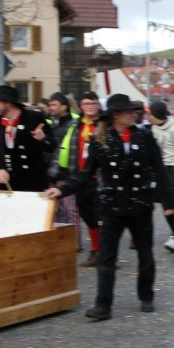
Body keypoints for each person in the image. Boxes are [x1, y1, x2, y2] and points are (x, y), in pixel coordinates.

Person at [47, 94, 174, 322]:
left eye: (133, 110)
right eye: (128, 111)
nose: (133, 113)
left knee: (145, 254)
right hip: (112, 206)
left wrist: (169, 203)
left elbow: (160, 170)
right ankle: (103, 305)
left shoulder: (145, 137)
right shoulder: (100, 140)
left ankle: (146, 296)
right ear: (116, 115)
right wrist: (63, 190)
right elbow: (85, 173)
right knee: (106, 258)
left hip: (139, 205)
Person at [0, 85, 54, 193]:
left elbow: (52, 146)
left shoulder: (34, 118)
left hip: (31, 182)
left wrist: (42, 139)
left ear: (8, 103)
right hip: (7, 182)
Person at [148, 100, 174, 252]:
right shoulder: (154, 128)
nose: (148, 116)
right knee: (165, 205)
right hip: (160, 169)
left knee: (172, 203)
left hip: (173, 169)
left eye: (150, 114)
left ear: (156, 115)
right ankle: (173, 233)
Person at [72, 92, 103, 266]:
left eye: (93, 102)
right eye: (86, 103)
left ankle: (106, 253)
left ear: (98, 105)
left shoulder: (104, 124)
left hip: (99, 177)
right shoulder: (76, 125)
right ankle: (96, 251)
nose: (90, 105)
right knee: (88, 217)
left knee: (103, 217)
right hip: (81, 177)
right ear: (81, 106)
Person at [46, 92, 79, 228]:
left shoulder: (74, 124)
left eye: (54, 104)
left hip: (66, 174)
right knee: (55, 211)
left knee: (71, 211)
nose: (50, 107)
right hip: (52, 173)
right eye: (49, 105)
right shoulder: (51, 123)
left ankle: (75, 245)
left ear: (64, 107)